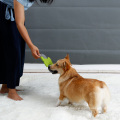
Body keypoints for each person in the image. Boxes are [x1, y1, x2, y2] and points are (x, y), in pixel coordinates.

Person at [0, 0, 53, 101]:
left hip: (9, 13)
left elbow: (21, 20)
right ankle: (11, 91)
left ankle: (5, 86)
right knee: (13, 52)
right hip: (4, 16)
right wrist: (32, 46)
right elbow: (19, 24)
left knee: (14, 48)